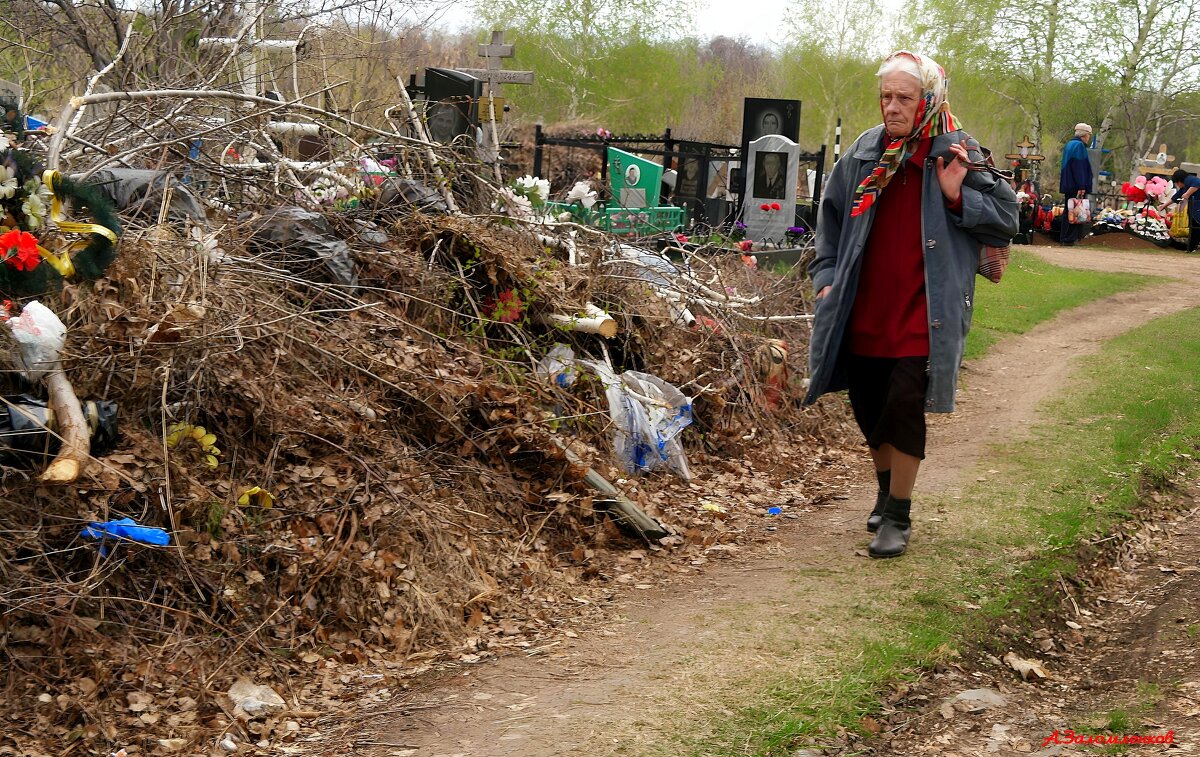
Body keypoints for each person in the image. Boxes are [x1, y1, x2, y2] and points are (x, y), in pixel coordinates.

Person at [804, 50, 1018, 559]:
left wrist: (954, 196)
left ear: (929, 100)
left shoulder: (958, 153)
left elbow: (1006, 219)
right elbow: (830, 224)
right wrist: (827, 280)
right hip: (863, 306)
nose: (892, 107)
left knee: (903, 405)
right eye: (886, 97)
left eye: (904, 97)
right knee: (869, 404)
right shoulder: (862, 154)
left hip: (925, 310)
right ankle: (884, 492)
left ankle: (897, 514)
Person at [1059, 123, 1093, 245]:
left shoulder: (1069, 144)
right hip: (1075, 185)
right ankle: (1071, 238)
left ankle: (1064, 237)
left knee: (1068, 211)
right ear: (1084, 135)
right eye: (1089, 135)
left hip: (1068, 184)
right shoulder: (1079, 146)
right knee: (1076, 211)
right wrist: (1082, 185)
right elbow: (1079, 168)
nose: (1089, 137)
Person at [1166, 168, 1200, 252]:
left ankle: (1192, 247)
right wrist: (1164, 205)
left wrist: (1187, 194)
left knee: (1195, 227)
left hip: (1197, 208)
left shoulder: (1189, 180)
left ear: (1179, 181)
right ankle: (1193, 246)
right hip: (1194, 208)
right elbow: (1176, 197)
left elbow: (1198, 183)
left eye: (1177, 183)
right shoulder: (1185, 186)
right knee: (1194, 228)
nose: (1177, 185)